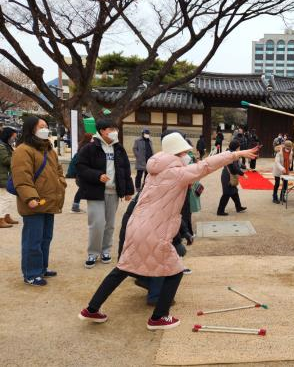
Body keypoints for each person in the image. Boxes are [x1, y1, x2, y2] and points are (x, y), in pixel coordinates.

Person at [78, 132, 258, 330]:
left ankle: (92, 309)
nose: (188, 155)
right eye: (185, 152)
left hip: (136, 226)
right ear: (177, 153)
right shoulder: (176, 173)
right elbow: (206, 166)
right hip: (155, 231)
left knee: (122, 268)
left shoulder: (155, 171)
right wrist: (233, 155)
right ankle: (159, 317)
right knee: (175, 271)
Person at [11, 116, 67, 286]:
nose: (46, 129)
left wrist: (61, 183)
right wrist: (30, 197)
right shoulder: (23, 150)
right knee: (32, 240)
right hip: (34, 202)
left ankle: (41, 268)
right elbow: (22, 178)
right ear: (31, 129)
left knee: (45, 238)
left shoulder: (48, 149)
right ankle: (31, 273)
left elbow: (58, 169)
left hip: (49, 201)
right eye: (41, 126)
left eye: (46, 126)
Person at [76, 119, 134, 268]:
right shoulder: (90, 148)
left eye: (115, 129)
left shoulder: (119, 149)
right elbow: (80, 166)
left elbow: (125, 170)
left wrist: (128, 190)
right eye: (111, 128)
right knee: (97, 223)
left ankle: (106, 250)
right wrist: (97, 176)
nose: (114, 132)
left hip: (114, 192)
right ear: (102, 131)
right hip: (96, 191)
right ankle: (93, 253)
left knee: (110, 224)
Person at [217, 140, 248, 216]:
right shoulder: (231, 155)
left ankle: (238, 207)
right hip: (227, 177)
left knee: (234, 192)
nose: (239, 148)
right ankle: (220, 211)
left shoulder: (230, 152)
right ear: (236, 147)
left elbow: (237, 165)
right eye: (239, 147)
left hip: (228, 175)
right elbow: (234, 168)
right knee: (226, 194)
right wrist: (243, 174)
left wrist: (243, 166)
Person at [67, 133, 94, 213]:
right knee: (83, 189)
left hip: (81, 174)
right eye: (92, 138)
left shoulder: (82, 146)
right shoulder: (87, 148)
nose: (93, 139)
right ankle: (75, 207)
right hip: (83, 174)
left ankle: (77, 206)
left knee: (84, 189)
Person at [0, 126, 19, 228]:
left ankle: (6, 216)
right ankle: (1, 219)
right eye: (13, 137)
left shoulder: (6, 145)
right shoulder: (1, 146)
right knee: (4, 198)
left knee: (8, 198)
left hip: (7, 176)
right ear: (8, 136)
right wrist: (17, 158)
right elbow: (5, 160)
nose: (14, 139)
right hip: (2, 176)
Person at [272, 140, 293, 204]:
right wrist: (282, 168)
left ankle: (282, 196)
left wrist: (290, 165)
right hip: (278, 170)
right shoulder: (279, 152)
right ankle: (274, 197)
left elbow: (290, 160)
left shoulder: (291, 152)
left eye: (289, 148)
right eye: (287, 147)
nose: (288, 149)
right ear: (285, 146)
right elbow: (277, 162)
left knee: (285, 184)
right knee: (277, 183)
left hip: (286, 170)